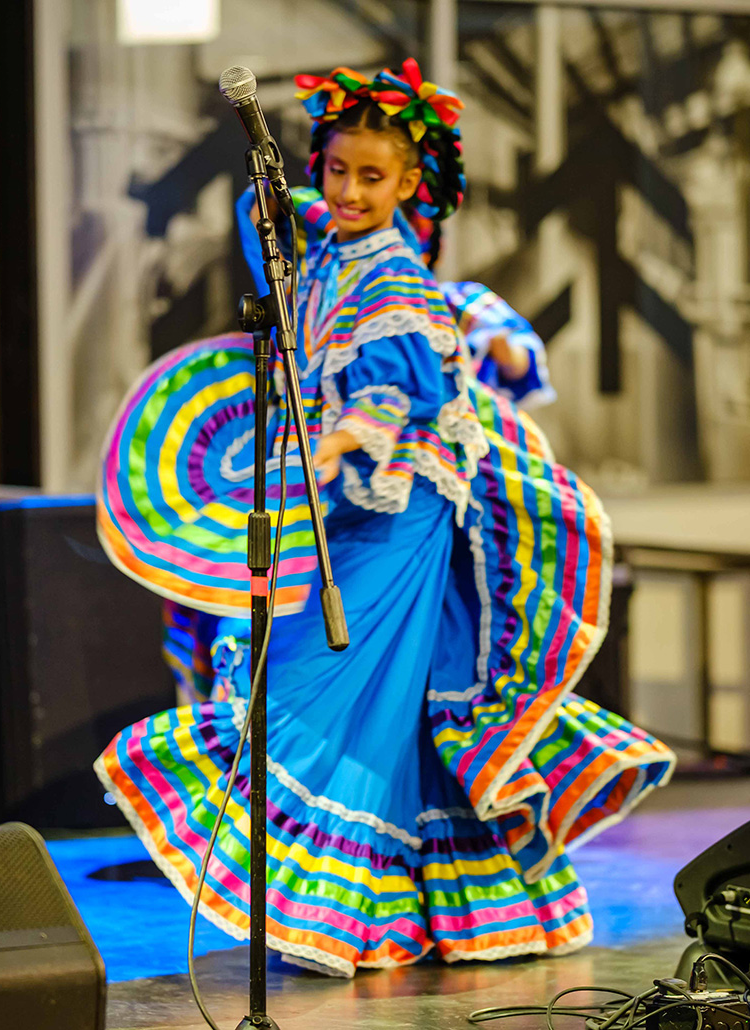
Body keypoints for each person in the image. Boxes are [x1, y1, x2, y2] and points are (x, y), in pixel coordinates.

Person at [95, 59, 674, 978]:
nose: (351, 190)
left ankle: (341, 911)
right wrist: (274, 161)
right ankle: (384, 916)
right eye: (337, 170)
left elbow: (395, 396)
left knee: (323, 690)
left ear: (413, 185)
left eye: (374, 177)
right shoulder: (325, 251)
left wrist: (316, 453)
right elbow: (267, 229)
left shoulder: (397, 280)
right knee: (379, 707)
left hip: (398, 518)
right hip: (358, 512)